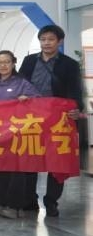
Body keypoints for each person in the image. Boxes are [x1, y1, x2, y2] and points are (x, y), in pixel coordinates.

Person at [18, 25, 83, 217]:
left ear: (59, 42)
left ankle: (51, 201)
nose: (46, 43)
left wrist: (77, 109)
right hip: (32, 118)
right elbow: (20, 83)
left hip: (58, 119)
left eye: (51, 39)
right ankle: (29, 200)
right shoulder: (29, 61)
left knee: (57, 161)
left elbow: (76, 90)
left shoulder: (69, 64)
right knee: (30, 157)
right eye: (43, 39)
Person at [0, 50, 41, 219]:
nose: (3, 65)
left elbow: (39, 101)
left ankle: (15, 206)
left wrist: (28, 99)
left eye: (7, 62)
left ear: (13, 64)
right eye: (0, 62)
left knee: (16, 171)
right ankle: (2, 203)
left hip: (17, 134)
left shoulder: (22, 83)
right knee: (0, 171)